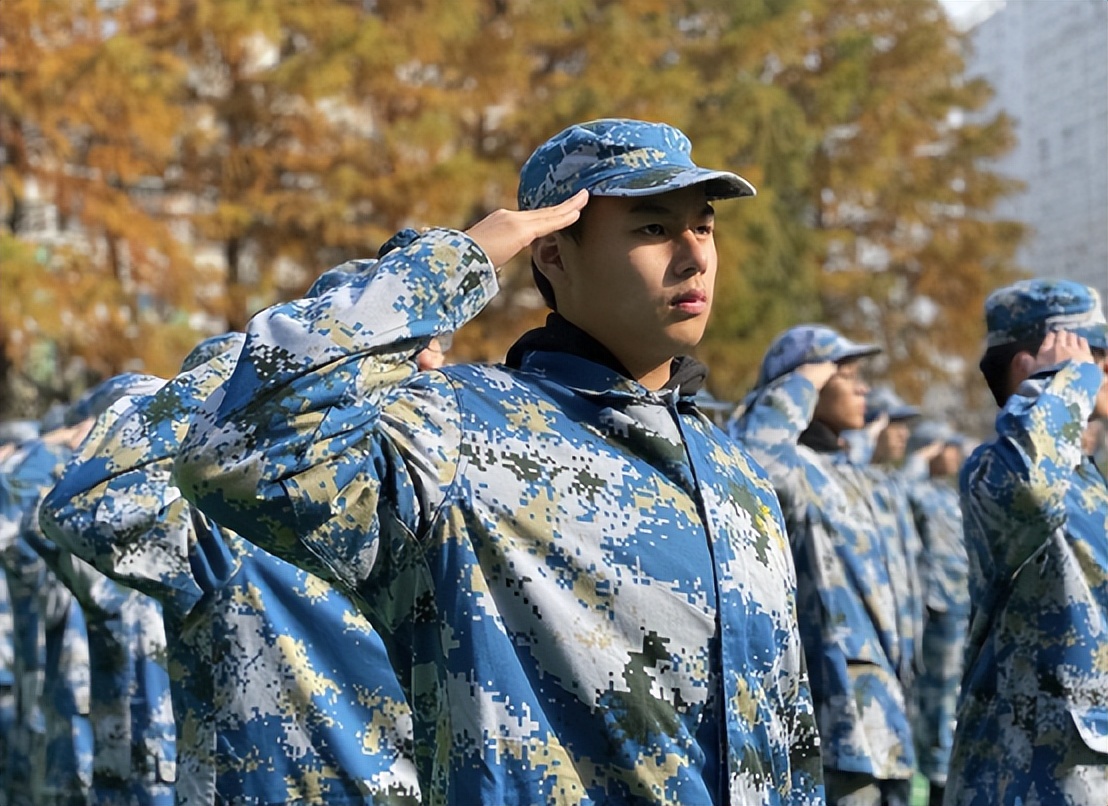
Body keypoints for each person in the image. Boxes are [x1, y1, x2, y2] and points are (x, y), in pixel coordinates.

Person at [173, 118, 823, 805]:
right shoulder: (458, 430)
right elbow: (236, 449)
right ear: (552, 256)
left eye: (705, 226)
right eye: (652, 228)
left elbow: (789, 738)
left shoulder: (733, 473)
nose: (693, 256)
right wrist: (453, 264)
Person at [40, 335, 421, 805]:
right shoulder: (406, 494)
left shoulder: (219, 530)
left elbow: (78, 506)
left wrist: (268, 363)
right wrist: (313, 351)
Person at [730, 325, 916, 806]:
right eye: (844, 374)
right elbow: (757, 461)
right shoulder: (794, 469)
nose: (862, 387)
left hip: (885, 709)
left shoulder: (847, 473)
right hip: (834, 714)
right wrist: (800, 383)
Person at [947, 278, 1108, 806]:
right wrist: (1065, 379)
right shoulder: (993, 471)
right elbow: (1031, 491)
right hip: (1029, 777)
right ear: (1029, 367)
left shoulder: (1091, 482)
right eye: (1094, 353)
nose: (1100, 371)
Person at [902, 421, 968, 806]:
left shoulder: (948, 494)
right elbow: (904, 491)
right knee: (937, 704)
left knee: (950, 702)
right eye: (949, 447)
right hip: (936, 612)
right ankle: (936, 782)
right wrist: (917, 460)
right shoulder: (918, 490)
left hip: (960, 610)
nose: (955, 455)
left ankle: (941, 779)